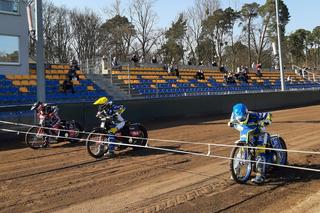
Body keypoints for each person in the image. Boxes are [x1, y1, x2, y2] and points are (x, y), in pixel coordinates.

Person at [228, 103, 272, 184]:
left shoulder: (254, 115)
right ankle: (235, 172)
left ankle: (260, 175)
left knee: (259, 151)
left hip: (259, 133)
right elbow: (231, 122)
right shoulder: (234, 115)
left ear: (246, 113)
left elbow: (268, 114)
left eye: (243, 117)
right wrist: (231, 123)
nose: (241, 119)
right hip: (246, 135)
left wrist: (267, 121)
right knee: (241, 152)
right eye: (240, 119)